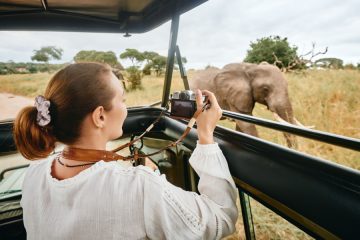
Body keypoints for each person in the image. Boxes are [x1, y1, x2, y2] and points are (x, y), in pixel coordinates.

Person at [13, 62, 238, 239]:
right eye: (122, 99)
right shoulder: (137, 186)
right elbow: (221, 218)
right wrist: (206, 135)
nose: (126, 107)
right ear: (100, 116)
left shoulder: (35, 172)